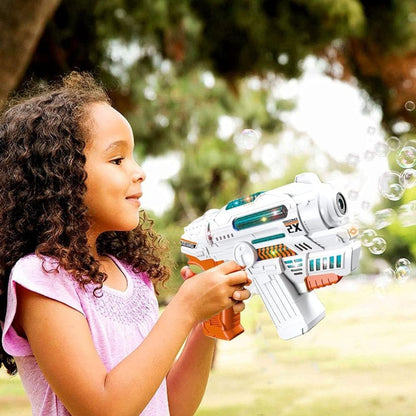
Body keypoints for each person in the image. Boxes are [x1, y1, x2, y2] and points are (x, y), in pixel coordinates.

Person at [0, 72, 251, 416]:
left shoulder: (134, 275)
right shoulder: (40, 280)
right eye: (117, 160)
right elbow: (104, 409)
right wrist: (185, 308)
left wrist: (203, 323)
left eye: (133, 157)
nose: (139, 171)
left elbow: (171, 406)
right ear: (62, 175)